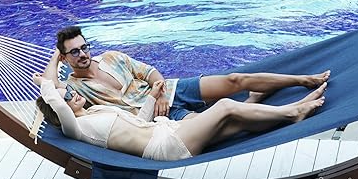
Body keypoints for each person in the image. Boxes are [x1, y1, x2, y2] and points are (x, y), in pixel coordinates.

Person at [35, 61, 327, 161]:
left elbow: (139, 120)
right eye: (67, 96)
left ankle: (287, 107)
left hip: (166, 128)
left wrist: (153, 96)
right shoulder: (76, 128)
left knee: (236, 122)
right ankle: (292, 113)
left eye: (69, 91)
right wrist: (50, 75)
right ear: (60, 110)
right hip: (166, 146)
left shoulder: (95, 111)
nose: (71, 94)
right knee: (226, 107)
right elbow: (54, 97)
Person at [46, 26, 330, 121]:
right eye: (74, 52)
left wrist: (159, 91)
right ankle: (279, 108)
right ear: (65, 57)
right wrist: (56, 57)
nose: (82, 54)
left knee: (234, 80)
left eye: (84, 47)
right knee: (224, 118)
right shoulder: (74, 89)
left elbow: (150, 73)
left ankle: (304, 79)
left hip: (171, 90)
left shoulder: (111, 57)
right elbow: (48, 87)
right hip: (157, 119)